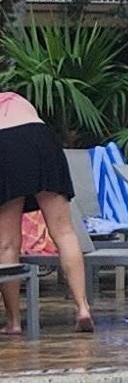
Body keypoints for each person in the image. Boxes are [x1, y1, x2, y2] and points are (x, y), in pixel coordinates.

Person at [0, 88, 93, 331]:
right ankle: (82, 307)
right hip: (42, 140)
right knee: (64, 232)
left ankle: (13, 322)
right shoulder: (17, 100)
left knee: (8, 244)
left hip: (5, 145)